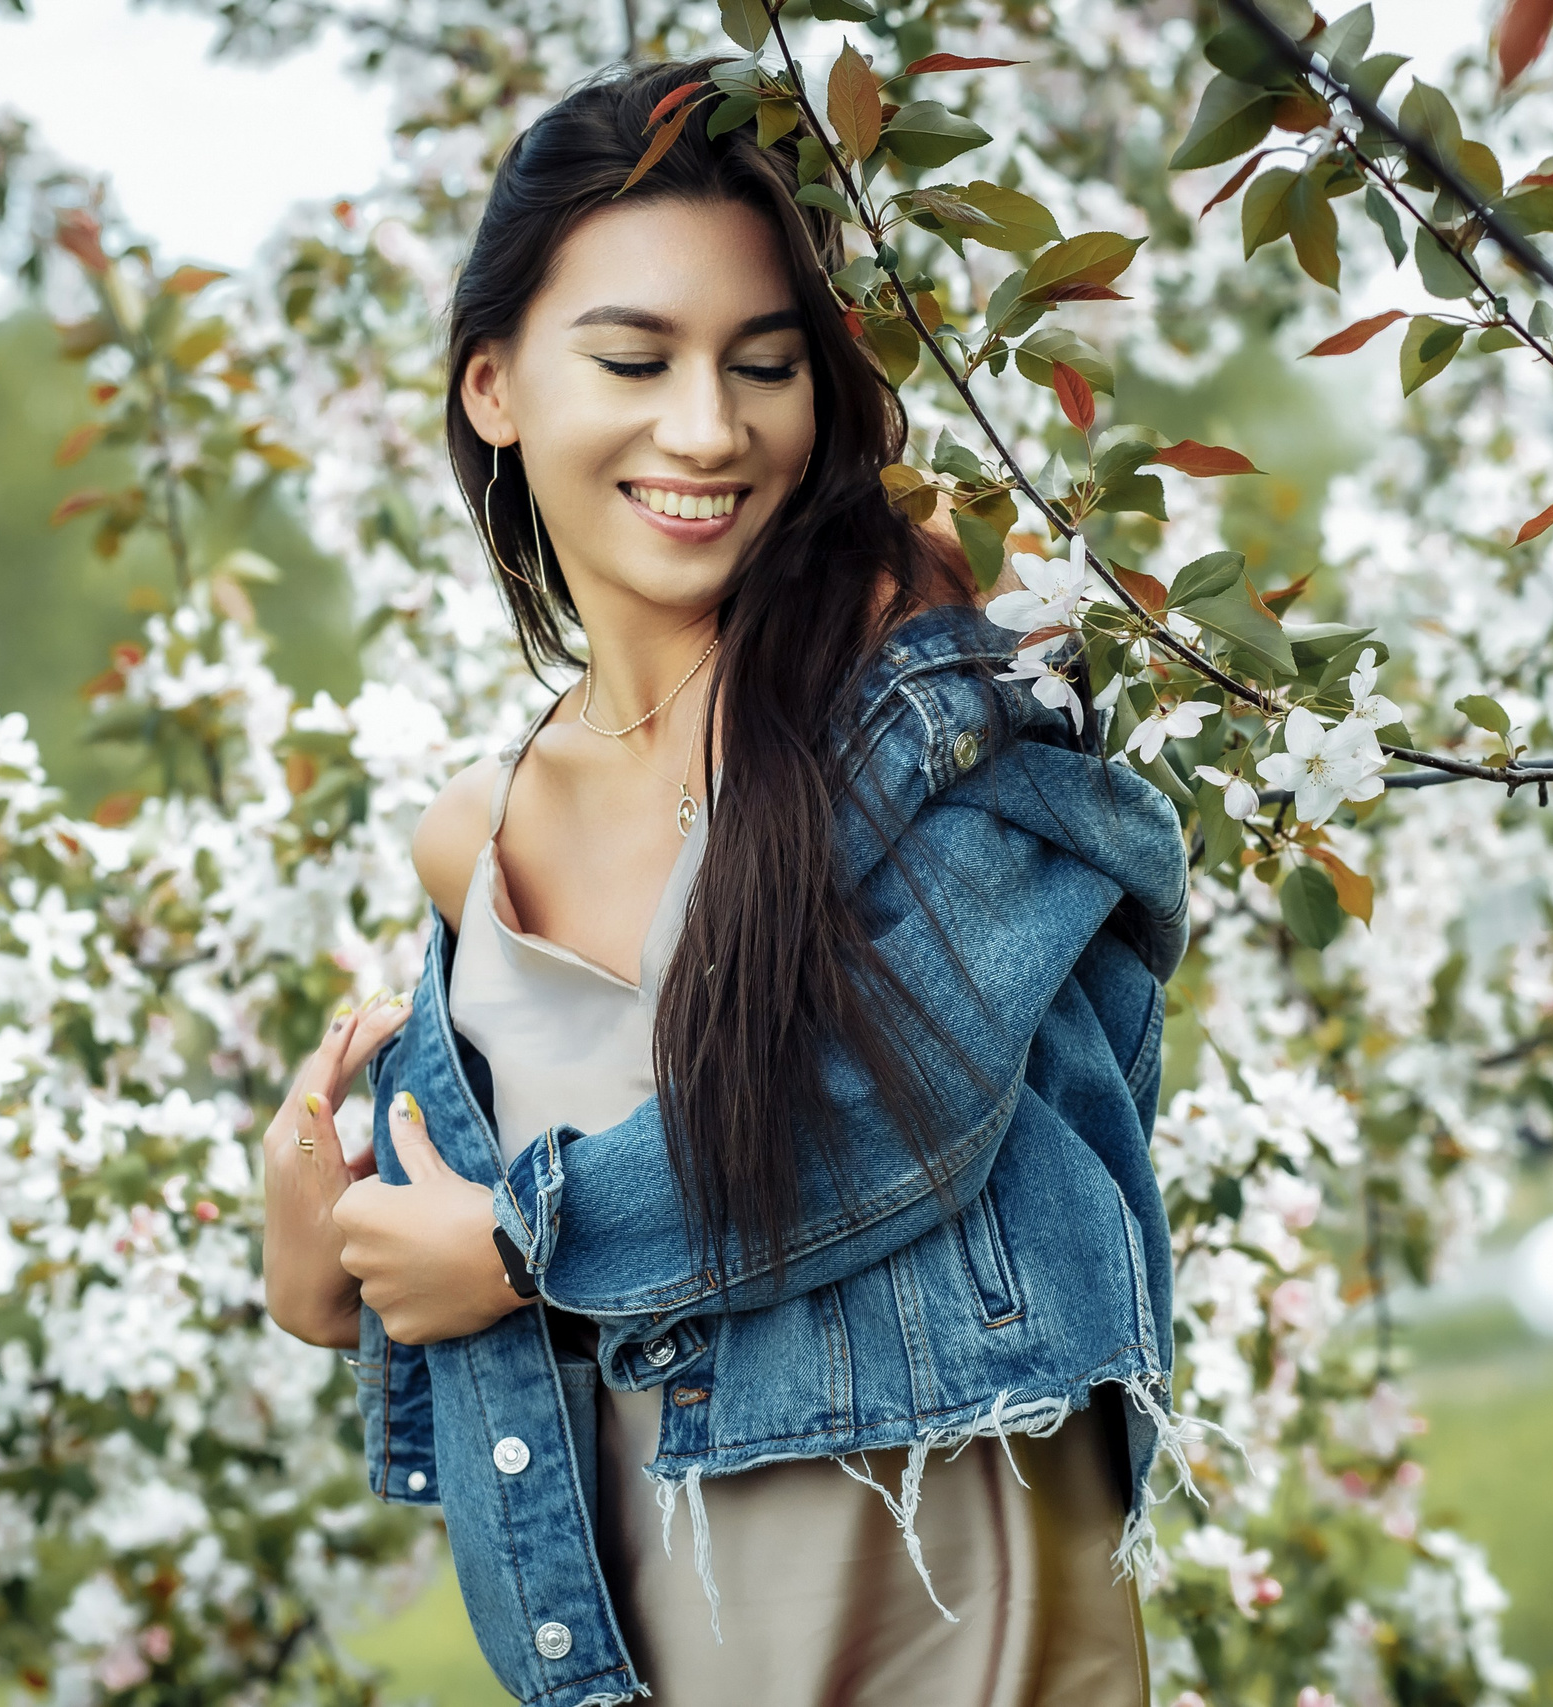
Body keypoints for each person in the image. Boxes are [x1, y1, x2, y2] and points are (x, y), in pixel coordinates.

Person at [258, 53, 1189, 1707]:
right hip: (638, 1649)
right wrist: (325, 1271)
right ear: (495, 386)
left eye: (763, 367)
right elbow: (458, 1259)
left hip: (951, 1609)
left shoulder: (942, 721)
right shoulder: (475, 834)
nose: (708, 427)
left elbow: (889, 1112)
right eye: (635, 357)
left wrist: (526, 1247)